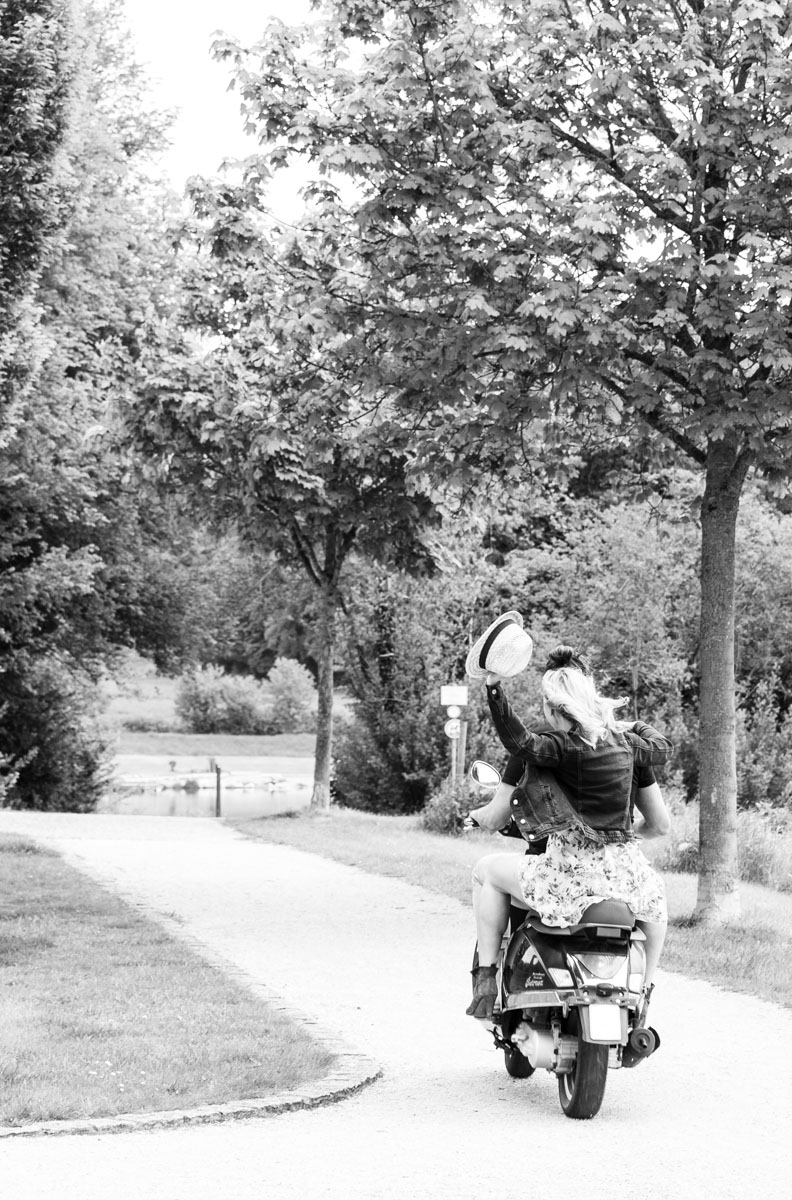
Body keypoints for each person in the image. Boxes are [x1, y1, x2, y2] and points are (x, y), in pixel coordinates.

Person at [465, 645, 673, 1022]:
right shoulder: (628, 744)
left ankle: (486, 978)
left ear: (553, 706)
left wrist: (494, 688)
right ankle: (643, 994)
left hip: (568, 876)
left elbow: (520, 742)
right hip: (627, 877)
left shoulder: (555, 746)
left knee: (486, 871)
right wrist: (626, 836)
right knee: (656, 905)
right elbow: (660, 814)